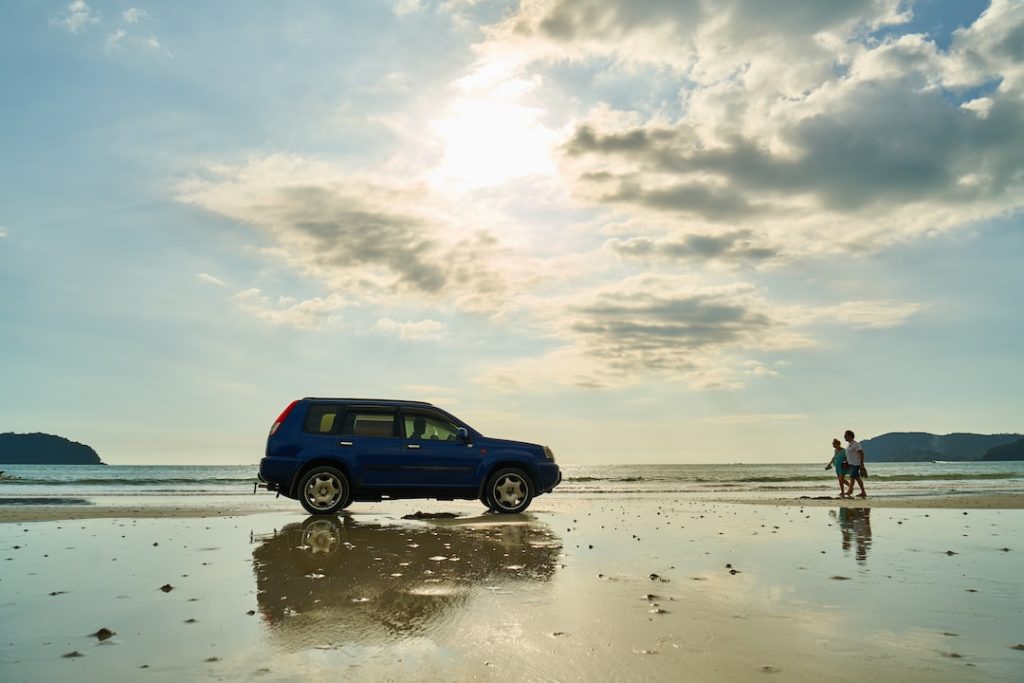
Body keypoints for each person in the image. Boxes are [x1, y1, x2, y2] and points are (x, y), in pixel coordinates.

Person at [843, 429, 867, 498]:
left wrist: (862, 463)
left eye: (845, 436)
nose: (844, 437)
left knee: (854, 477)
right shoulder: (849, 445)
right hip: (850, 464)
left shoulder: (855, 444)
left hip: (856, 464)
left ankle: (852, 491)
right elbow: (849, 455)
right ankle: (861, 491)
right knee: (855, 478)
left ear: (849, 436)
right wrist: (846, 461)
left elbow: (861, 453)